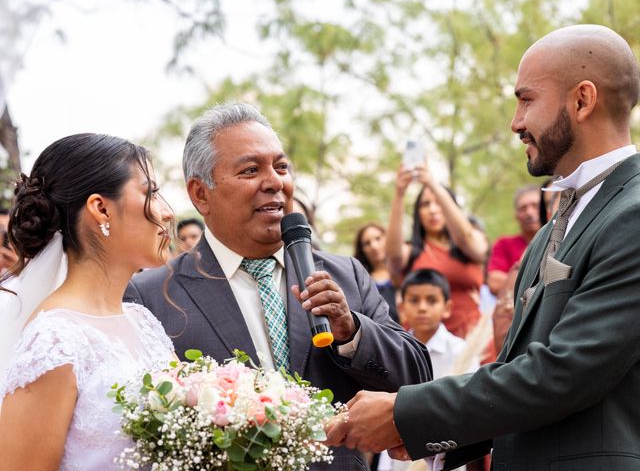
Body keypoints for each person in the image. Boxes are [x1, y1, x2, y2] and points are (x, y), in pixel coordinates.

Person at [326, 24, 640, 470]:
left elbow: (566, 372)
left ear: (583, 100)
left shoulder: (632, 213)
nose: (516, 122)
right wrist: (425, 436)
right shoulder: (560, 223)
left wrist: (404, 415)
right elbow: (519, 373)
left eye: (526, 99)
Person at [124, 103, 432, 470]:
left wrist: (352, 332)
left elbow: (417, 378)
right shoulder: (151, 295)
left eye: (281, 167)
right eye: (251, 170)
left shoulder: (345, 274)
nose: (275, 182)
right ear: (200, 193)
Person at [0, 133, 176, 470]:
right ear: (101, 208)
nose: (167, 213)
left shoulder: (143, 321)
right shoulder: (54, 341)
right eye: (151, 193)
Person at [378, 269, 480, 471]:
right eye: (414, 300)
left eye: (431, 300)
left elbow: (467, 406)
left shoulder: (462, 352)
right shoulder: (393, 350)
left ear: (447, 308)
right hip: (398, 458)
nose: (422, 308)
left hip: (446, 456)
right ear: (402, 307)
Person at [386, 165, 488, 338]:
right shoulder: (411, 252)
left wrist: (431, 183)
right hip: (423, 346)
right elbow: (393, 256)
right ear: (418, 213)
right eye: (425, 204)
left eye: (439, 203)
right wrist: (400, 193)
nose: (433, 210)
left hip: (472, 341)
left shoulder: (472, 242)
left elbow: (466, 237)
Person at [486, 185, 540, 295]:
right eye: (523, 208)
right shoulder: (504, 244)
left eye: (536, 206)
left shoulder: (561, 239)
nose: (529, 212)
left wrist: (512, 280)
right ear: (516, 215)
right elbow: (494, 283)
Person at [354, 223, 399, 323]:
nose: (374, 246)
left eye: (378, 239)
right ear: (362, 250)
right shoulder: (362, 281)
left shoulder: (402, 271)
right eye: (367, 243)